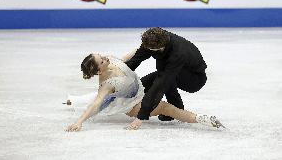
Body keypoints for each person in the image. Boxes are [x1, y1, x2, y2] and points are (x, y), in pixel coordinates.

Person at [66, 54, 224, 132]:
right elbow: (97, 102)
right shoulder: (106, 85)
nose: (105, 58)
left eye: (101, 56)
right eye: (102, 61)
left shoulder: (110, 61)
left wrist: (147, 46)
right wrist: (79, 122)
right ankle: (200, 118)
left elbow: (129, 57)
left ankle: (72, 100)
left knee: (161, 75)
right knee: (164, 107)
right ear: (99, 71)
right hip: (133, 105)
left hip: (137, 88)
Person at [124, 27, 208, 128]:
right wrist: (119, 74)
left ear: (162, 46)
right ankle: (176, 110)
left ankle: (175, 110)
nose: (149, 51)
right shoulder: (153, 38)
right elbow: (136, 59)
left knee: (163, 80)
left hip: (194, 79)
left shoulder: (178, 53)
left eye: (152, 50)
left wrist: (141, 116)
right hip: (174, 71)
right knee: (144, 84)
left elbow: (161, 84)